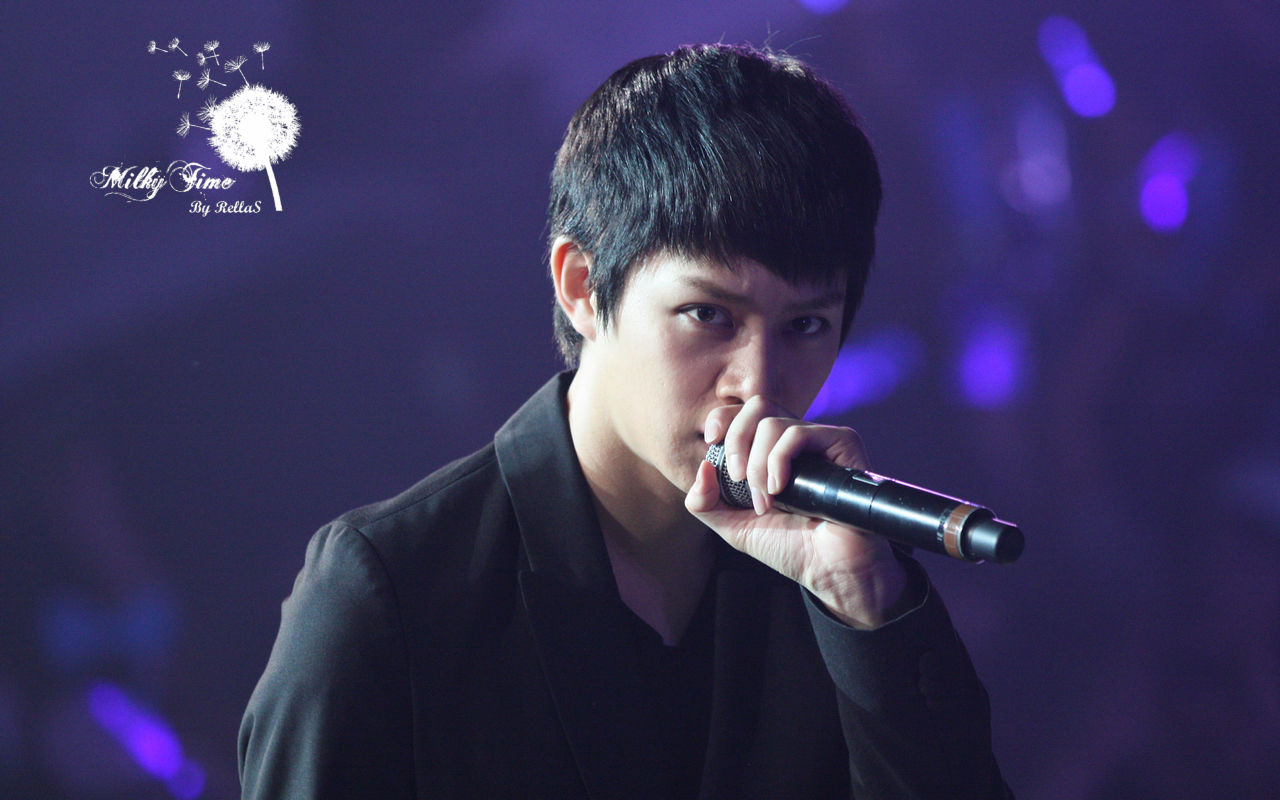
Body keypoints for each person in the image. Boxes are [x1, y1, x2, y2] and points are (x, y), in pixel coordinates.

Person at [238, 43, 1012, 798]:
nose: (758, 383)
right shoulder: (391, 594)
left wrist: (862, 606)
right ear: (581, 287)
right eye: (708, 314)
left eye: (805, 326)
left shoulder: (840, 578)